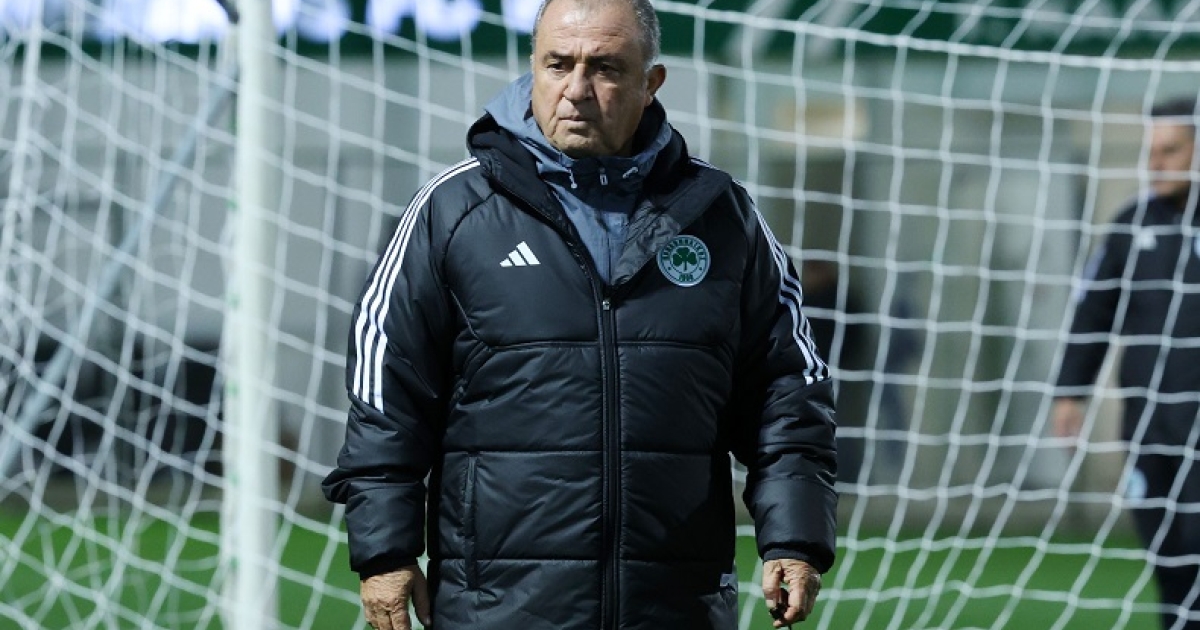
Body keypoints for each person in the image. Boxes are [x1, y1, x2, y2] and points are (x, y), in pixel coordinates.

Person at [321, 0, 838, 628]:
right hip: (500, 609)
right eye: (558, 64)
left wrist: (795, 538)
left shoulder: (722, 216)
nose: (576, 89)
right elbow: (387, 392)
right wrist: (386, 552)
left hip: (676, 609)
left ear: (651, 83)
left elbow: (788, 389)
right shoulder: (452, 211)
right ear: (533, 68)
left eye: (606, 68)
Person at [1052, 96, 1200, 630]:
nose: (1155, 162)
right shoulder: (1130, 225)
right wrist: (1070, 391)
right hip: (1149, 424)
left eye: (1170, 150)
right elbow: (1093, 310)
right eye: (1150, 150)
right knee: (1167, 555)